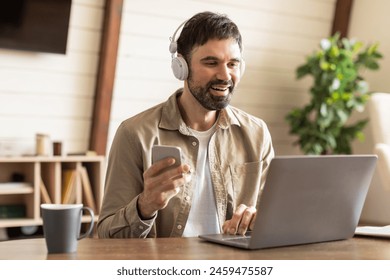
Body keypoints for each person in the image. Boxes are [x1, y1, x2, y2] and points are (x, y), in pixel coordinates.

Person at [97, 11, 274, 238]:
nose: (225, 75)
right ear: (181, 65)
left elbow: (272, 219)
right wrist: (145, 206)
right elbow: (106, 236)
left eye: (233, 63)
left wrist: (256, 220)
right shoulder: (135, 133)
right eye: (211, 62)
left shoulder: (257, 134)